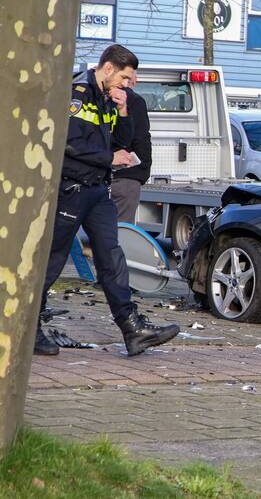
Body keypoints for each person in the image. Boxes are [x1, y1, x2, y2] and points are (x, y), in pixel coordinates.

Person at [35, 45, 179, 357]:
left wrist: (123, 111)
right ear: (109, 68)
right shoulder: (78, 93)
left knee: (112, 257)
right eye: (125, 78)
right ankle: (28, 326)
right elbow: (67, 142)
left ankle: (132, 329)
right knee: (52, 260)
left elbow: (121, 142)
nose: (128, 84)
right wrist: (108, 158)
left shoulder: (109, 98)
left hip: (98, 191)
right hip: (71, 189)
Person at [110, 71, 152, 223]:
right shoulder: (134, 101)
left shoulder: (97, 98)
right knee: (120, 229)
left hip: (98, 175)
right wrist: (143, 168)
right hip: (126, 176)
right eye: (133, 75)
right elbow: (141, 138)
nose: (136, 80)